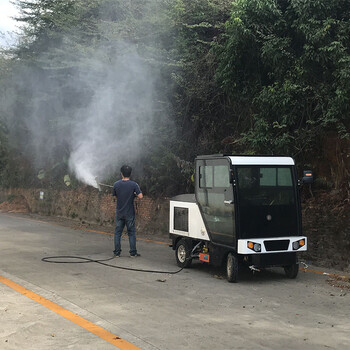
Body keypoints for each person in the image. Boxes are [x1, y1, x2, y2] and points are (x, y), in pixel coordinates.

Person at [112, 165, 143, 257]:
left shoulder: (116, 184)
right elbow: (141, 196)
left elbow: (114, 196)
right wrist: (134, 194)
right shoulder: (134, 184)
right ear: (130, 174)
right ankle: (133, 253)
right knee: (131, 233)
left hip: (119, 212)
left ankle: (117, 253)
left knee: (118, 233)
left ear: (121, 173)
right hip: (129, 213)